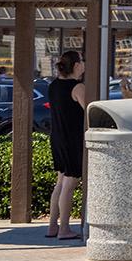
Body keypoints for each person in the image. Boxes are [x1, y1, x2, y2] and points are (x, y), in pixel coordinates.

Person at [46, 49, 86, 240]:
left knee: (60, 182)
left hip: (57, 137)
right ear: (77, 65)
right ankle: (64, 229)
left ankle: (52, 226)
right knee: (70, 184)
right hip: (72, 139)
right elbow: (91, 111)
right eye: (82, 62)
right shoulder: (77, 88)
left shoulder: (53, 86)